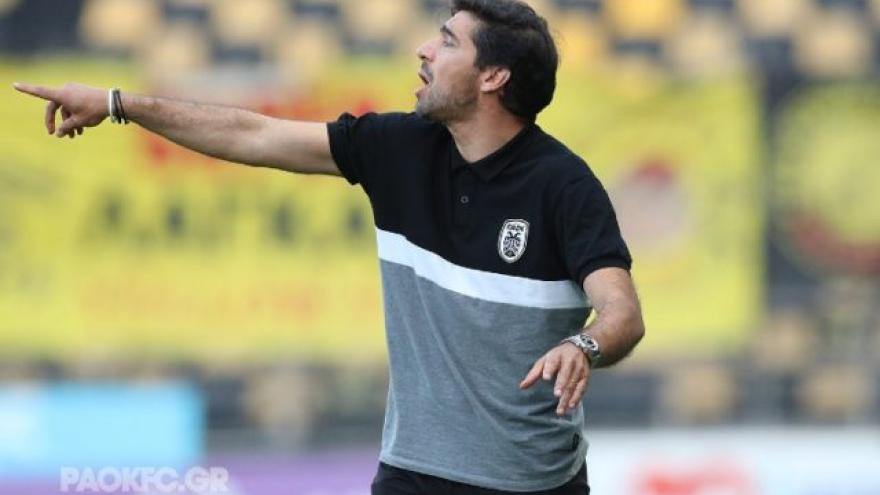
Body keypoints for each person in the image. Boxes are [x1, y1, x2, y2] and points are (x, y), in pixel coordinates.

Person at [14, 0, 645, 493]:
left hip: (533, 484)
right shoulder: (396, 148)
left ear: (494, 77)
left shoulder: (564, 186)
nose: (424, 50)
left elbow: (622, 314)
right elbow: (253, 135)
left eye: (449, 42)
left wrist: (582, 345)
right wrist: (117, 103)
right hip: (412, 473)